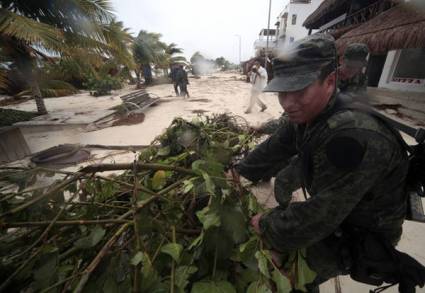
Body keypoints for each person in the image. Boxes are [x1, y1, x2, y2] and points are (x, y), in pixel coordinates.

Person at [234, 34, 422, 291]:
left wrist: (266, 224)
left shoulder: (349, 138)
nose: (288, 103)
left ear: (330, 81)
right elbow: (276, 146)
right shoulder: (311, 110)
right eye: (282, 92)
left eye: (299, 90)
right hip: (338, 206)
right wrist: (238, 170)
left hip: (363, 229)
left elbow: (317, 218)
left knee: (287, 272)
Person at [255, 43, 370, 135]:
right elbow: (289, 119)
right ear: (342, 60)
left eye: (357, 68)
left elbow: (359, 105)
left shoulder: (361, 80)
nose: (352, 72)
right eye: (349, 67)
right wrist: (262, 127)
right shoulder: (322, 78)